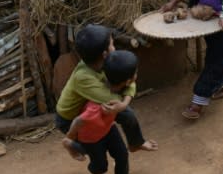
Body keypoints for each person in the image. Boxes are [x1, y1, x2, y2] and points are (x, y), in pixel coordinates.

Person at [55, 24, 157, 152]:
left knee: (127, 114)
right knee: (96, 147)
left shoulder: (103, 61)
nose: (114, 48)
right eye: (112, 45)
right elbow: (114, 97)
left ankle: (135, 143)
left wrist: (124, 103)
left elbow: (130, 77)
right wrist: (124, 102)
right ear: (104, 54)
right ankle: (71, 145)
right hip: (69, 118)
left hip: (91, 104)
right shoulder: (82, 77)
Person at [62, 50, 139, 174]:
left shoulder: (119, 88)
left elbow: (131, 89)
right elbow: (79, 120)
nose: (137, 76)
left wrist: (123, 105)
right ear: (128, 81)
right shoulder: (98, 105)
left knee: (122, 155)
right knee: (100, 165)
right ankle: (72, 146)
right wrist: (70, 136)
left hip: (109, 129)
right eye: (135, 73)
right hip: (91, 138)